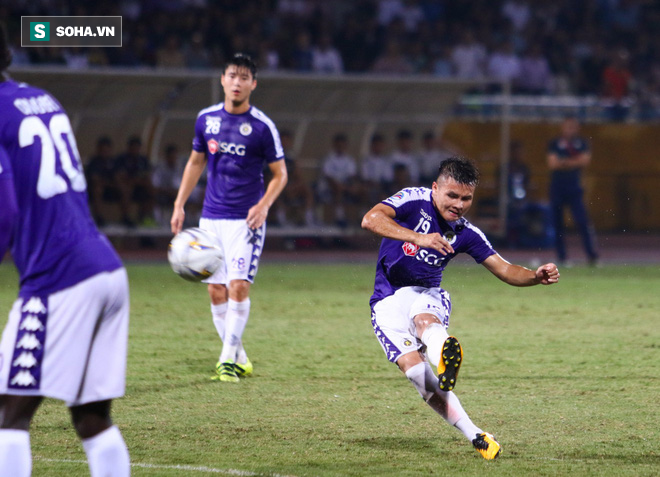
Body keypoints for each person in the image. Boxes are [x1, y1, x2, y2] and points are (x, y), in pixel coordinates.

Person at [361, 157, 560, 460]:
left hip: (425, 293)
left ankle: (443, 355)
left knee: (425, 320)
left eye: (466, 198)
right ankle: (476, 434)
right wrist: (418, 237)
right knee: (416, 374)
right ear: (435, 188)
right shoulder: (412, 200)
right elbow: (370, 219)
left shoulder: (466, 232)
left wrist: (535, 276)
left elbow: (504, 269)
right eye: (452, 195)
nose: (459, 204)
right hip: (386, 299)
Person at [0, 23, 130, 476]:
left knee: (8, 413)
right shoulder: (43, 98)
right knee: (91, 417)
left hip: (58, 279)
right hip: (105, 266)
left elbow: (7, 209)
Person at [170, 53, 287, 383]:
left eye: (244, 77)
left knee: (237, 286)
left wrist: (264, 205)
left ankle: (225, 360)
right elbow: (196, 163)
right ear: (222, 79)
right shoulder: (206, 119)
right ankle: (239, 356)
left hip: (246, 221)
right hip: (211, 219)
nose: (237, 82)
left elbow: (280, 174)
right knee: (216, 292)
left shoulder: (263, 127)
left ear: (253, 83)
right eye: (232, 75)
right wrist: (179, 205)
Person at [547, 116, 599, 265]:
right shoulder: (555, 143)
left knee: (582, 221)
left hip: (574, 188)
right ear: (562, 127)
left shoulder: (582, 143)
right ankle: (561, 256)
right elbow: (552, 164)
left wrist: (563, 162)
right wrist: (573, 162)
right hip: (557, 187)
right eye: (567, 126)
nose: (570, 130)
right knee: (557, 223)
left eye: (573, 126)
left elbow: (585, 161)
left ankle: (592, 255)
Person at [114, 135, 155, 227]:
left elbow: (147, 176)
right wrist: (132, 180)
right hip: (124, 189)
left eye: (137, 147)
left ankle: (145, 217)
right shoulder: (121, 159)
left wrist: (136, 180)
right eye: (133, 147)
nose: (135, 150)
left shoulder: (143, 160)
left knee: (150, 190)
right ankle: (125, 217)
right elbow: (120, 177)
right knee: (127, 189)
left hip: (139, 187)